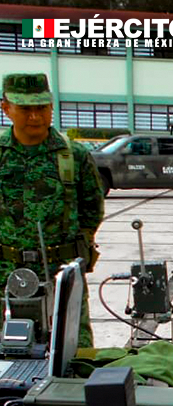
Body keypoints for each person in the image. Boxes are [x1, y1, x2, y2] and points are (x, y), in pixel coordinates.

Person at [0, 73, 104, 347]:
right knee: (7, 354)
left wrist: (74, 246)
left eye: (42, 108)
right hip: (6, 274)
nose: (35, 117)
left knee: (74, 351)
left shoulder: (73, 156)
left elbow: (92, 209)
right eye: (25, 109)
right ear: (6, 108)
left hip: (61, 274)